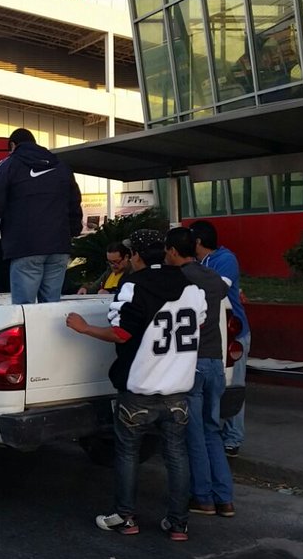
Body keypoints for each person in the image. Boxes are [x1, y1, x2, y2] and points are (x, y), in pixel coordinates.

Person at [65, 229, 206, 541]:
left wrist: (84, 328)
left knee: (128, 452)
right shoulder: (193, 288)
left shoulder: (132, 286)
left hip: (140, 386)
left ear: (137, 256)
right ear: (166, 251)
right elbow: (199, 323)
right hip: (178, 388)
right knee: (176, 454)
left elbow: (122, 334)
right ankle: (178, 523)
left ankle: (125, 517)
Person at [165, 227, 235, 518]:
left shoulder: (177, 279)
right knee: (212, 431)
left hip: (190, 363)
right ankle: (225, 499)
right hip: (214, 363)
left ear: (171, 251)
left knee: (192, 433)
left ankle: (203, 497)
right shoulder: (214, 278)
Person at [0, 128, 82, 304]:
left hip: (26, 246)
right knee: (51, 305)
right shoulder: (61, 167)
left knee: (24, 309)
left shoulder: (9, 165)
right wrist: (72, 231)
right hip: (59, 247)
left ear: (12, 145)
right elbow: (74, 202)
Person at [189, 220, 250, 457]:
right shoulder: (197, 262)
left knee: (233, 385)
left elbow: (217, 289)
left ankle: (233, 438)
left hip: (232, 331)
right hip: (209, 331)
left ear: (198, 241)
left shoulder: (225, 259)